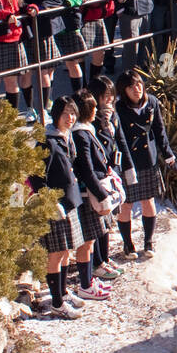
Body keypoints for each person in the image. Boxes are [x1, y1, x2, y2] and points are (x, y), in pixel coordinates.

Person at [31, 96, 86, 319]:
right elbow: (35, 176)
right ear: (56, 115)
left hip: (69, 202)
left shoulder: (66, 137)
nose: (70, 118)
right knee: (55, 254)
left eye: (72, 113)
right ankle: (56, 303)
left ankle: (62, 293)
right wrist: (49, 201)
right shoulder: (47, 141)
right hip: (55, 205)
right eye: (65, 114)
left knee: (65, 251)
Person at [115, 68, 175, 260]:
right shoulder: (119, 109)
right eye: (131, 87)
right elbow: (119, 138)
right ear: (123, 90)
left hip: (147, 158)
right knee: (126, 203)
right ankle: (128, 244)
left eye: (139, 84)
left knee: (148, 200)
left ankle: (148, 242)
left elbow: (159, 130)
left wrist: (167, 153)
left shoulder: (152, 102)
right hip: (128, 162)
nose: (136, 89)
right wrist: (125, 166)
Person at [68, 90, 115, 301]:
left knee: (91, 240)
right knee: (86, 242)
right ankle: (85, 284)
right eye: (93, 106)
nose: (97, 110)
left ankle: (89, 279)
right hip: (88, 194)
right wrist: (101, 192)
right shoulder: (80, 134)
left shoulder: (87, 130)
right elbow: (86, 168)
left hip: (92, 191)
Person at [88, 75, 133, 281]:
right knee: (99, 220)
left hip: (113, 171)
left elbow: (120, 140)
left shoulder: (113, 115)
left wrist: (128, 167)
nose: (109, 101)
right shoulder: (91, 120)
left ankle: (104, 258)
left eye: (111, 97)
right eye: (105, 96)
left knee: (108, 220)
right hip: (99, 175)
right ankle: (97, 262)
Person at [14, 0, 63, 122]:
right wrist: (26, 8)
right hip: (25, 29)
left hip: (44, 27)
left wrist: (39, 8)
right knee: (26, 70)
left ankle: (43, 108)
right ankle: (29, 108)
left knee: (44, 70)